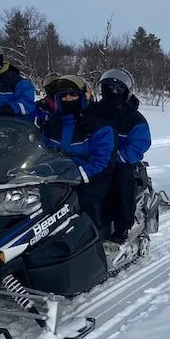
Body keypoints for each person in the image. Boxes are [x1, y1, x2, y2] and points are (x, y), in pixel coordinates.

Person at [37, 74, 117, 233]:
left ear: (81, 96)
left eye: (73, 95)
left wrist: (79, 174)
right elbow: (41, 150)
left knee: (83, 202)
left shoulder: (98, 125)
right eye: (63, 96)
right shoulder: (52, 123)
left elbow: (102, 160)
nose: (68, 99)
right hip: (57, 176)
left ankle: (94, 237)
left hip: (90, 177)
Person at [93, 68, 152, 244]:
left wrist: (118, 157)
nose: (113, 92)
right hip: (94, 158)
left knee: (122, 180)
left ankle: (122, 226)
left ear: (126, 92)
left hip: (120, 161)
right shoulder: (93, 111)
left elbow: (139, 144)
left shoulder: (134, 118)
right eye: (108, 88)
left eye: (118, 89)